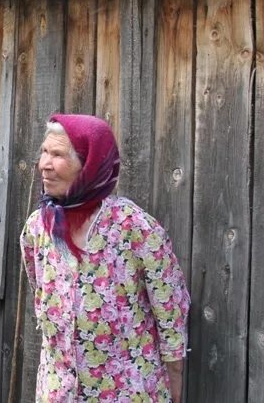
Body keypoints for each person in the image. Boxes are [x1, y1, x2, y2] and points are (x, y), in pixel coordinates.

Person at [20, 113, 190, 403]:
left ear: (89, 166)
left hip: (129, 391)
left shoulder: (133, 227)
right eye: (44, 152)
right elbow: (42, 296)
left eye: (58, 154)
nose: (44, 165)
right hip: (60, 392)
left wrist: (175, 376)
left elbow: (170, 306)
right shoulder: (38, 228)